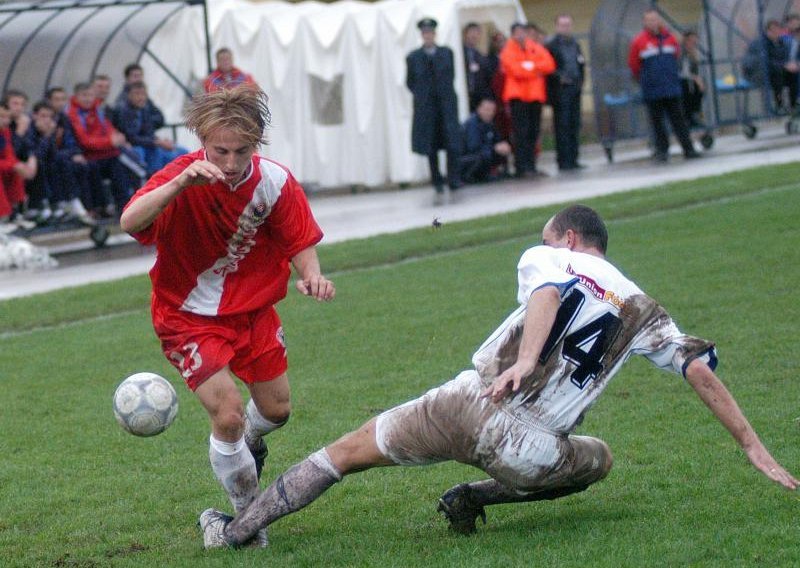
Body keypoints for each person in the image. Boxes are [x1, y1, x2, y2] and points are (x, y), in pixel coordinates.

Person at [198, 204, 798, 549]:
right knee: (600, 459)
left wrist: (526, 360)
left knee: (346, 453)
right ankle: (475, 496)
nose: (541, 245)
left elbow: (545, 293)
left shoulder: (552, 256)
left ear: (569, 238)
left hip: (466, 402)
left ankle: (236, 533)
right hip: (531, 452)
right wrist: (751, 444)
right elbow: (698, 369)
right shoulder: (646, 309)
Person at [119, 85, 335, 548]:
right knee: (230, 414)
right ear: (202, 139)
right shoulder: (180, 177)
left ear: (256, 142)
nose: (231, 162)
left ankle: (243, 446)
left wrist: (312, 275)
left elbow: (299, 239)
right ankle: (247, 519)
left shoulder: (274, 181)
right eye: (221, 151)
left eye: (242, 150)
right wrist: (179, 186)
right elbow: (130, 221)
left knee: (276, 411)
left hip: (254, 312)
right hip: (187, 316)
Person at [628, 9, 700, 163]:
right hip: (652, 90)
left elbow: (676, 56)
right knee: (657, 123)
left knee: (678, 120)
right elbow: (634, 65)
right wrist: (645, 80)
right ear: (645, 23)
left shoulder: (669, 38)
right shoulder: (639, 42)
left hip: (671, 87)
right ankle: (662, 151)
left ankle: (688, 149)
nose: (653, 23)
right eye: (649, 20)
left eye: (655, 19)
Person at [406, 17, 463, 204]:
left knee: (451, 143)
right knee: (431, 146)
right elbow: (411, 82)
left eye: (430, 32)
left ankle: (453, 178)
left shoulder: (446, 53)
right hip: (427, 109)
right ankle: (436, 179)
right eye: (425, 33)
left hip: (445, 105)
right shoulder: (413, 57)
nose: (428, 36)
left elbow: (450, 76)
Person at [67, 81, 138, 217]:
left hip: (105, 153)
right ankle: (99, 208)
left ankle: (125, 207)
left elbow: (107, 127)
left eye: (90, 95)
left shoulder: (97, 109)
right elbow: (84, 141)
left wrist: (117, 136)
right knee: (94, 169)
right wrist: (110, 142)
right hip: (88, 155)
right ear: (76, 97)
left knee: (122, 166)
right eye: (84, 95)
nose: (88, 99)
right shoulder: (73, 114)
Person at [499, 22, 555, 178]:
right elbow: (513, 69)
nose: (520, 35)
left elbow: (549, 64)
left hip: (535, 96)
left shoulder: (535, 47)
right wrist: (533, 69)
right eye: (517, 33)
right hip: (518, 98)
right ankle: (521, 166)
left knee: (533, 133)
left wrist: (529, 67)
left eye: (522, 32)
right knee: (520, 133)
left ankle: (532, 165)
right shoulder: (508, 50)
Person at [115, 81, 186, 175]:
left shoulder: (144, 109)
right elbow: (131, 138)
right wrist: (157, 142)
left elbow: (151, 130)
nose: (141, 97)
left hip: (147, 143)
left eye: (143, 94)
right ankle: (155, 180)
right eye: (137, 94)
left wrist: (160, 141)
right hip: (132, 147)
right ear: (129, 96)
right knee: (154, 152)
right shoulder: (123, 111)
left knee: (182, 152)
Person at [546, 14, 586, 172]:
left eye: (568, 25)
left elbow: (581, 63)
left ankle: (574, 158)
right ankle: (564, 161)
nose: (566, 28)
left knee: (574, 124)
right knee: (562, 125)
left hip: (575, 88)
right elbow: (548, 68)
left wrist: (581, 80)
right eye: (562, 25)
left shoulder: (575, 44)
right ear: (557, 26)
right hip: (561, 91)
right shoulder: (552, 45)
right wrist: (559, 77)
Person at [742, 20, 795, 113]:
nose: (776, 33)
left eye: (778, 30)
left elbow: (785, 59)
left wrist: (791, 65)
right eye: (773, 30)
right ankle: (779, 105)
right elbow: (762, 62)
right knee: (778, 72)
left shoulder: (781, 43)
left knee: (793, 74)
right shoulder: (760, 43)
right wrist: (783, 65)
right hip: (758, 74)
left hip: (776, 72)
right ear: (767, 31)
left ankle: (794, 105)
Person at [459, 98, 511, 183]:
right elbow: (473, 148)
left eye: (492, 110)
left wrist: (503, 146)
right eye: (487, 110)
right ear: (479, 109)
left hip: (483, 153)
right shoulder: (472, 124)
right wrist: (493, 148)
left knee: (501, 150)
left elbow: (497, 140)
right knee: (481, 157)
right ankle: (468, 177)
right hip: (467, 158)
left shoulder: (490, 124)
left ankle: (495, 172)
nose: (490, 113)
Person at [0, 102, 29, 233]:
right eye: (1, 117)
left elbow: (9, 153)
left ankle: (15, 213)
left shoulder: (5, 132)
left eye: (7, 117)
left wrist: (16, 165)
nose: (5, 121)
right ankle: (2, 217)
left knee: (16, 170)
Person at [462, 22, 493, 112]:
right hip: (464, 94)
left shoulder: (481, 57)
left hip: (478, 98)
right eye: (471, 32)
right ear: (465, 34)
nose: (474, 36)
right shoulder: (460, 53)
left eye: (477, 33)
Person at [679, 30, 706, 127]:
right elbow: (682, 71)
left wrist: (697, 79)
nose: (693, 44)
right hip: (681, 80)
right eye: (691, 41)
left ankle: (694, 114)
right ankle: (689, 116)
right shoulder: (681, 53)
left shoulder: (693, 54)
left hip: (689, 80)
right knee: (689, 86)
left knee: (699, 87)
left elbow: (694, 71)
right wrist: (696, 78)